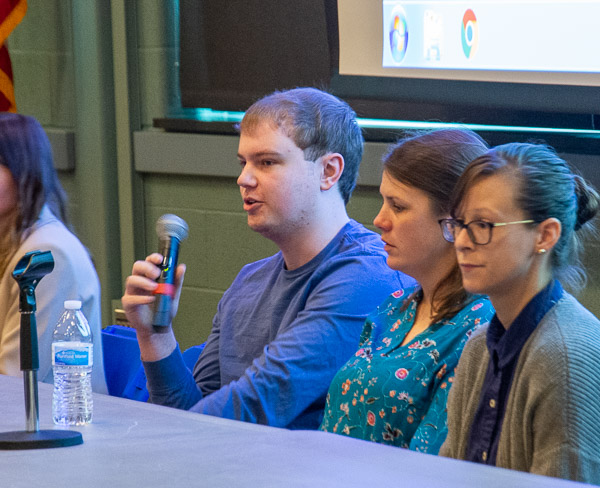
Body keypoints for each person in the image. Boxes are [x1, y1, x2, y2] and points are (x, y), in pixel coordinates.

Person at [122, 87, 415, 429]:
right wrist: (155, 336)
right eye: (243, 162)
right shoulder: (248, 282)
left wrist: (155, 439)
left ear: (329, 171)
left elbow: (256, 403)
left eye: (267, 162)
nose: (243, 179)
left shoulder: (367, 276)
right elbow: (194, 409)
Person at [319, 129, 494, 453]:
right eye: (384, 202)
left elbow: (432, 466)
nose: (379, 220)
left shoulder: (479, 330)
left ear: (453, 221)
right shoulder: (394, 307)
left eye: (398, 207)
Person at [439, 143, 600, 484]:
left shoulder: (566, 356)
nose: (461, 241)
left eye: (483, 224)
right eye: (458, 223)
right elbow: (450, 482)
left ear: (545, 235)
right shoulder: (479, 347)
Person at [0, 113, 107, 393]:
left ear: (24, 173)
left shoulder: (47, 255)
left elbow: (13, 382)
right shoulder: (12, 243)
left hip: (60, 427)